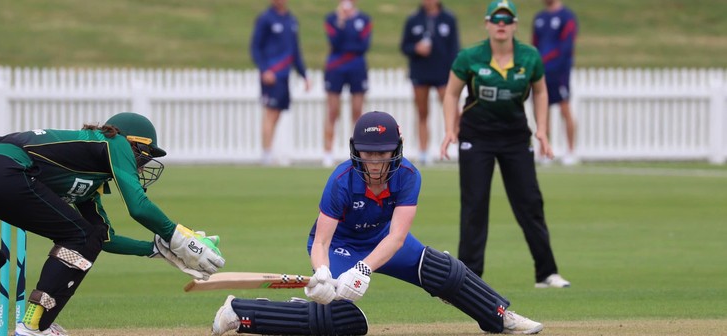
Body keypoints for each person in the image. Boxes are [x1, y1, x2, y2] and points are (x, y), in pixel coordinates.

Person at [211, 111, 544, 336]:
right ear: (356, 150)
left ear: (396, 150)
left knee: (441, 269)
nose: (374, 162)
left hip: (385, 241)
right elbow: (322, 242)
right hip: (339, 246)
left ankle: (500, 317)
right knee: (341, 319)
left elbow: (398, 237)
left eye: (382, 153)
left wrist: (364, 270)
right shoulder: (341, 180)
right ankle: (240, 312)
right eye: (368, 153)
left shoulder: (409, 176)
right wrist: (324, 272)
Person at [0, 112, 225, 336]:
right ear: (132, 143)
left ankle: (34, 324)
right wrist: (180, 238)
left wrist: (156, 248)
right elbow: (138, 207)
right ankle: (33, 326)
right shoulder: (113, 142)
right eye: (145, 153)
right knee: (78, 236)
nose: (144, 164)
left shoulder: (91, 177)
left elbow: (102, 238)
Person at [439, 0, 571, 289]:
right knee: (474, 205)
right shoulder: (469, 57)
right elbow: (451, 94)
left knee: (530, 203)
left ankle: (546, 273)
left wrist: (543, 131)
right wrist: (451, 129)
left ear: (514, 25)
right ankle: (469, 278)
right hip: (476, 135)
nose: (501, 24)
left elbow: (540, 92)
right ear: (487, 23)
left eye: (507, 19)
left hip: (514, 135)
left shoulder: (529, 57)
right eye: (496, 19)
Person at [400, 0, 461, 166]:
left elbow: (455, 48)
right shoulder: (413, 19)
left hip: (443, 72)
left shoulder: (448, 19)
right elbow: (404, 46)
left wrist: (453, 71)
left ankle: (460, 146)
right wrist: (416, 49)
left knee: (452, 110)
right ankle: (423, 151)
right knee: (422, 112)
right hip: (421, 72)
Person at [250, 0, 311, 166]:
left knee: (277, 114)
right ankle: (266, 155)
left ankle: (269, 151)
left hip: (285, 76)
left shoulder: (291, 20)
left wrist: (304, 75)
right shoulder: (265, 19)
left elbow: (295, 52)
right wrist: (264, 69)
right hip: (272, 75)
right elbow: (255, 47)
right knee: (270, 113)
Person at [322, 0, 372, 167]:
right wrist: (341, 23)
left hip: (357, 66)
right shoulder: (331, 19)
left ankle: (359, 151)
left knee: (357, 111)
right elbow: (335, 41)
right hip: (336, 67)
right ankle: (328, 152)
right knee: (332, 111)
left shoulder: (364, 19)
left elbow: (363, 45)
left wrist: (348, 40)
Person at [533, 0, 578, 165]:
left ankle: (571, 151)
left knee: (564, 109)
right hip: (541, 73)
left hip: (559, 72)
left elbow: (566, 46)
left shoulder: (567, 17)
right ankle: (544, 151)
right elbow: (534, 44)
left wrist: (549, 61)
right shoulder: (539, 18)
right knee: (543, 112)